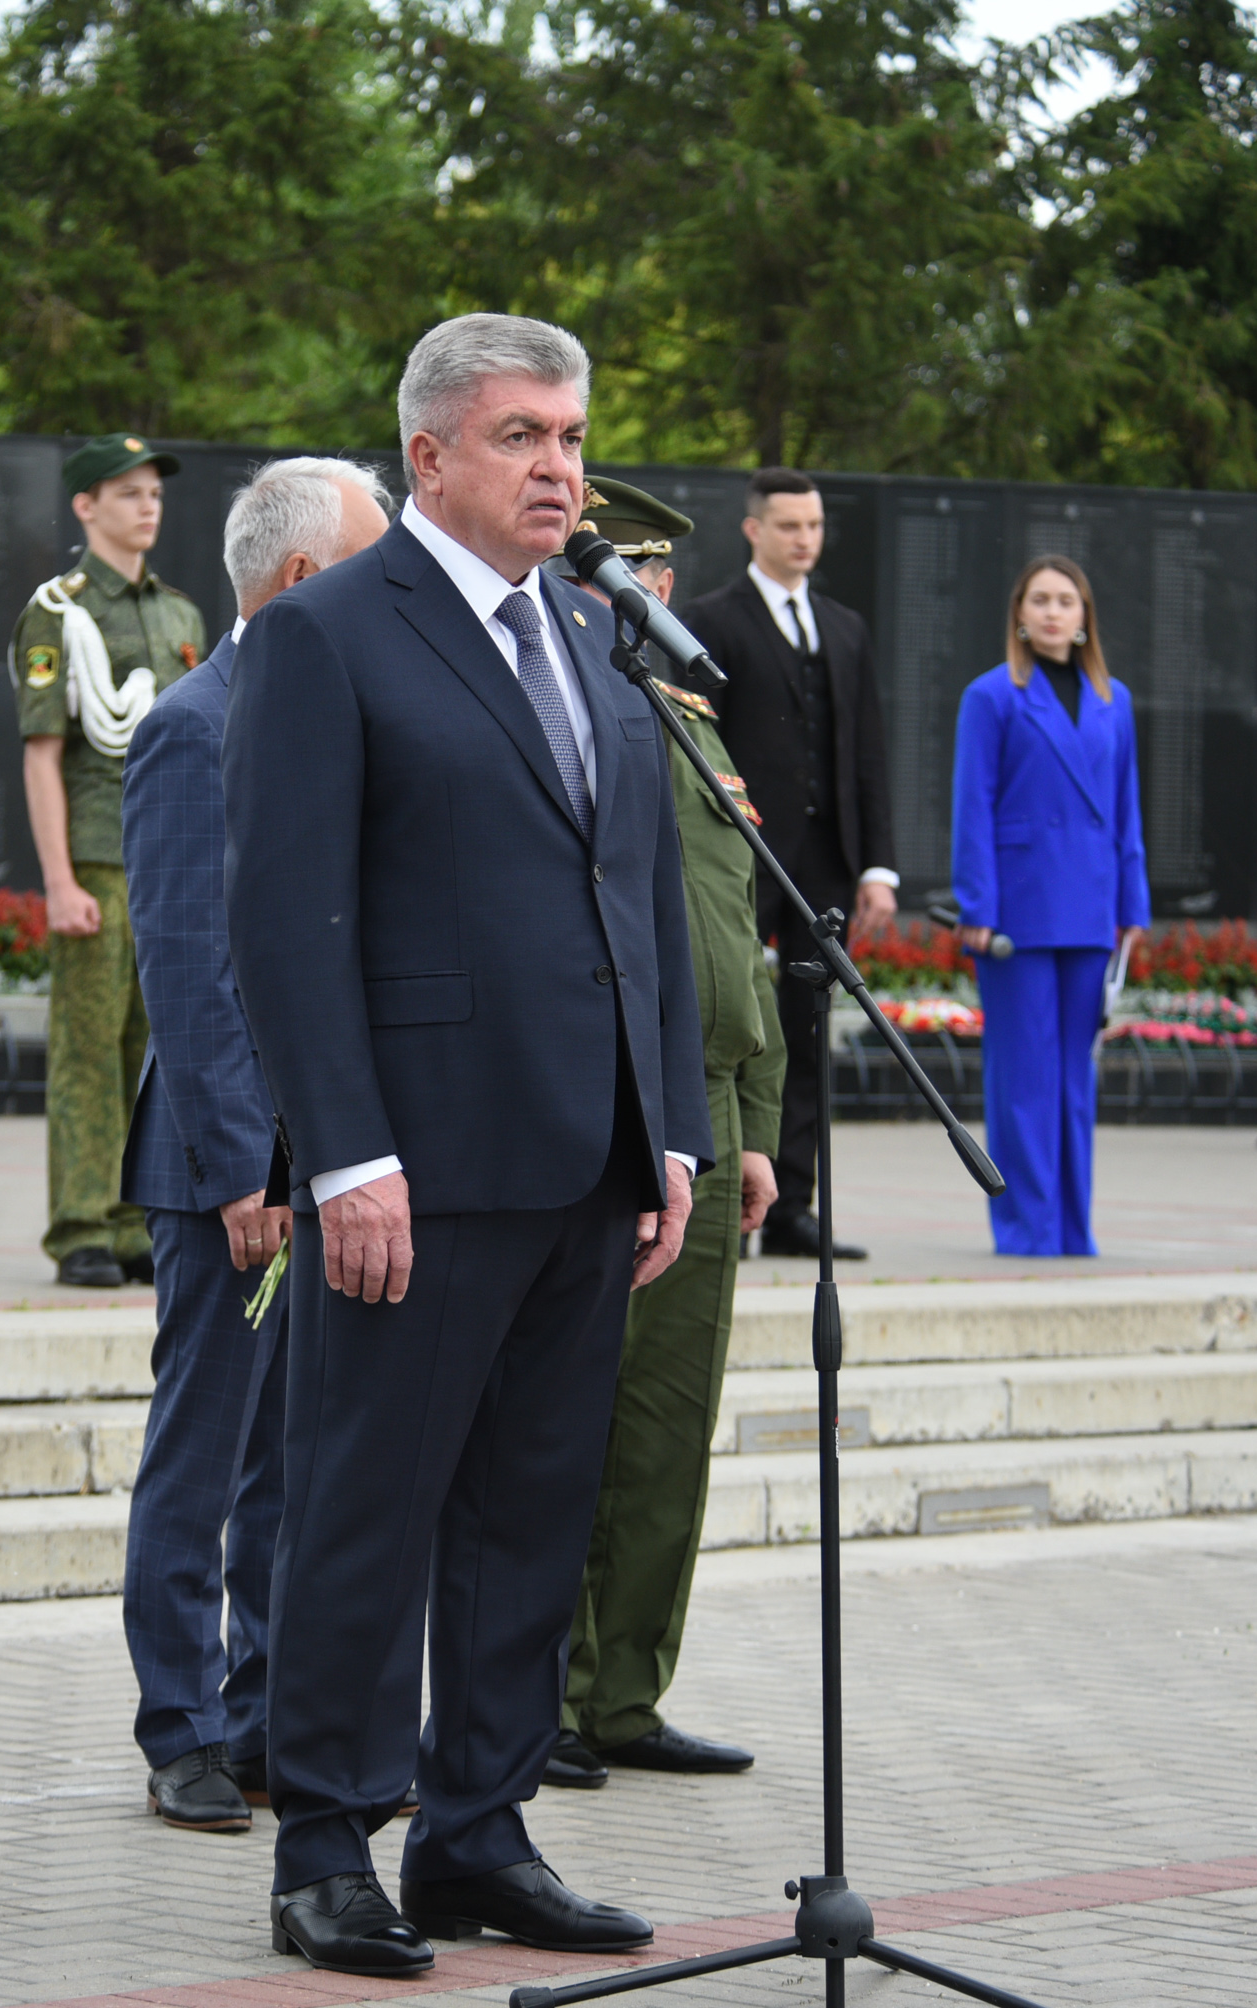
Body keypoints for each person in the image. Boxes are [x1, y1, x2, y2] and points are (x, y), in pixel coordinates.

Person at [225, 313, 710, 1978]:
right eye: (520, 435)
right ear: (427, 455)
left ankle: (477, 1829)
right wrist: (339, 1153)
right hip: (413, 1174)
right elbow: (284, 917)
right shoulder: (334, 635)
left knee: (528, 1512)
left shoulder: (589, 638)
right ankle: (323, 1846)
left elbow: (634, 899)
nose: (559, 465)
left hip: (584, 1156)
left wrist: (676, 1128)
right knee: (364, 1505)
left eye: (569, 434)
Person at [118, 455, 392, 1834]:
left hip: (333, 1158)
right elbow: (185, 960)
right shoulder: (194, 723)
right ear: (299, 583)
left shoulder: (334, 717)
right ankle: (178, 1724)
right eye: (369, 560)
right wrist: (242, 1169)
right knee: (208, 1451)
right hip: (232, 1168)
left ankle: (268, 1718)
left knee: (297, 1463)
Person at [544, 479, 776, 1790]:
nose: (646, 595)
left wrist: (753, 1125)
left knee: (667, 1428)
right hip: (607, 1115)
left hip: (707, 1112)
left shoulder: (690, 724)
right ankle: (544, 1697)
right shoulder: (570, 723)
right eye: (618, 570)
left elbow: (738, 943)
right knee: (571, 1421)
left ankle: (625, 1691)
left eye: (656, 575)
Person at [679, 468, 895, 1262]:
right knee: (729, 1019)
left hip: (824, 867)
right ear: (753, 531)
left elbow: (866, 752)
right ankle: (719, 1200)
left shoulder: (843, 628)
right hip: (738, 861)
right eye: (789, 525)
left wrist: (879, 868)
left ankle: (794, 1205)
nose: (806, 538)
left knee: (806, 1032)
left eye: (814, 525)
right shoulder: (707, 621)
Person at [17, 433, 206, 1288]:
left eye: (154, 492)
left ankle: (139, 1219)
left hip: (174, 861)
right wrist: (57, 878)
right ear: (85, 506)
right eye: (127, 493)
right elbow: (43, 752)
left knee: (158, 1044)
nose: (148, 505)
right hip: (98, 855)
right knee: (90, 1048)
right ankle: (81, 1222)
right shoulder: (57, 612)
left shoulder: (180, 615)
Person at [949, 555, 1147, 1259]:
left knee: (1073, 1081)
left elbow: (1125, 810)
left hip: (1090, 909)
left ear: (1085, 614)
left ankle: (1071, 1229)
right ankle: (1027, 1229)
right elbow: (972, 806)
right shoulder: (993, 695)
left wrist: (1133, 906)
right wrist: (977, 903)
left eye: (1067, 600)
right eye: (1041, 599)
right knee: (1023, 1079)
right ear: (1020, 616)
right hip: (1017, 915)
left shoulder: (1112, 698)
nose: (1055, 611)